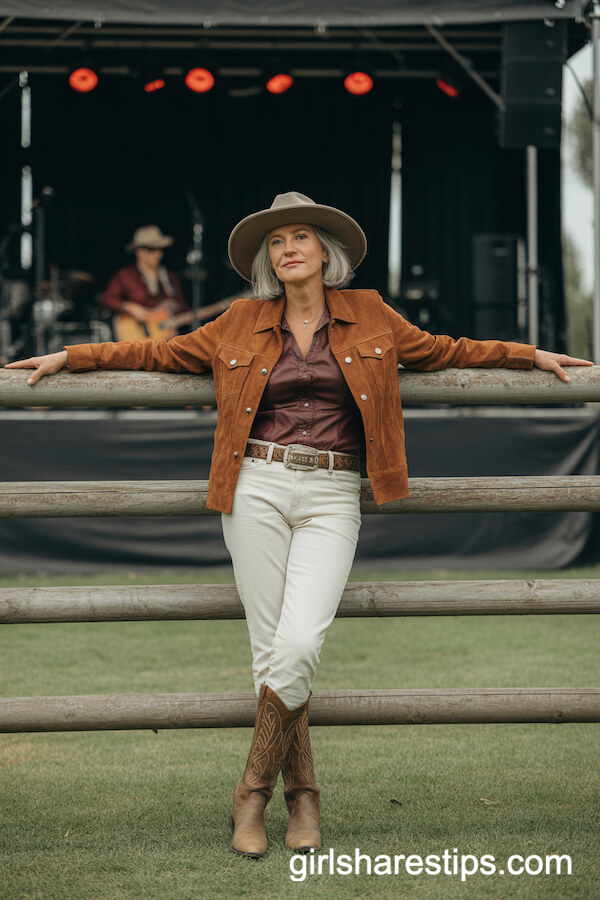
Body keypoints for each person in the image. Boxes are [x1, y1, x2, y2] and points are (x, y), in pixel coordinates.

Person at [5, 191, 593, 859]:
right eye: (275, 242)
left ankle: (251, 790)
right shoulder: (239, 320)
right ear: (270, 262)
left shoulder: (371, 313)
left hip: (335, 490)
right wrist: (70, 359)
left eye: (299, 238)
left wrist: (528, 355)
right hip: (255, 484)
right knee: (271, 650)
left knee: (299, 642)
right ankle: (302, 801)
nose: (287, 249)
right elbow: (155, 355)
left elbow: (446, 350)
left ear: (324, 253)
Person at [101, 225, 190, 339]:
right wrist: (129, 307)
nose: (158, 254)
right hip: (136, 337)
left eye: (160, 249)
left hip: (166, 338)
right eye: (151, 249)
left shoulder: (170, 277)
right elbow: (107, 299)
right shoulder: (125, 275)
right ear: (139, 252)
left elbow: (182, 308)